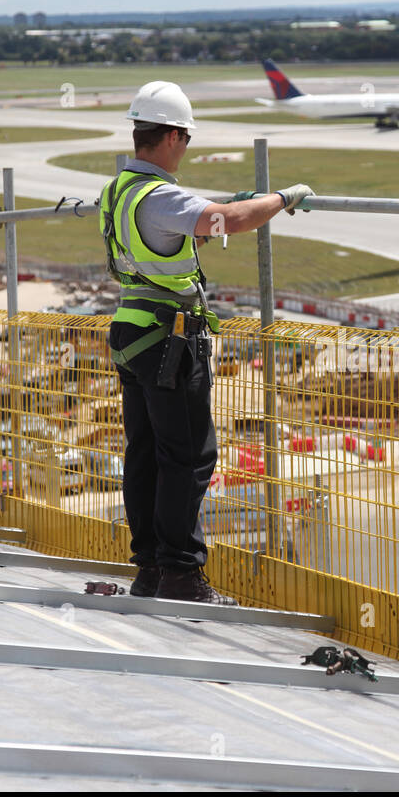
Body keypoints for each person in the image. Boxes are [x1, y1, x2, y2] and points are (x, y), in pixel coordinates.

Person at [100, 80, 312, 604]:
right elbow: (229, 221)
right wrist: (281, 199)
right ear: (172, 136)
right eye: (186, 139)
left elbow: (175, 236)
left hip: (131, 329)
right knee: (189, 457)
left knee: (145, 453)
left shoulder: (118, 192)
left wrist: (220, 210)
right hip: (169, 338)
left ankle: (150, 569)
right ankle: (181, 575)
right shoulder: (161, 195)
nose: (185, 149)